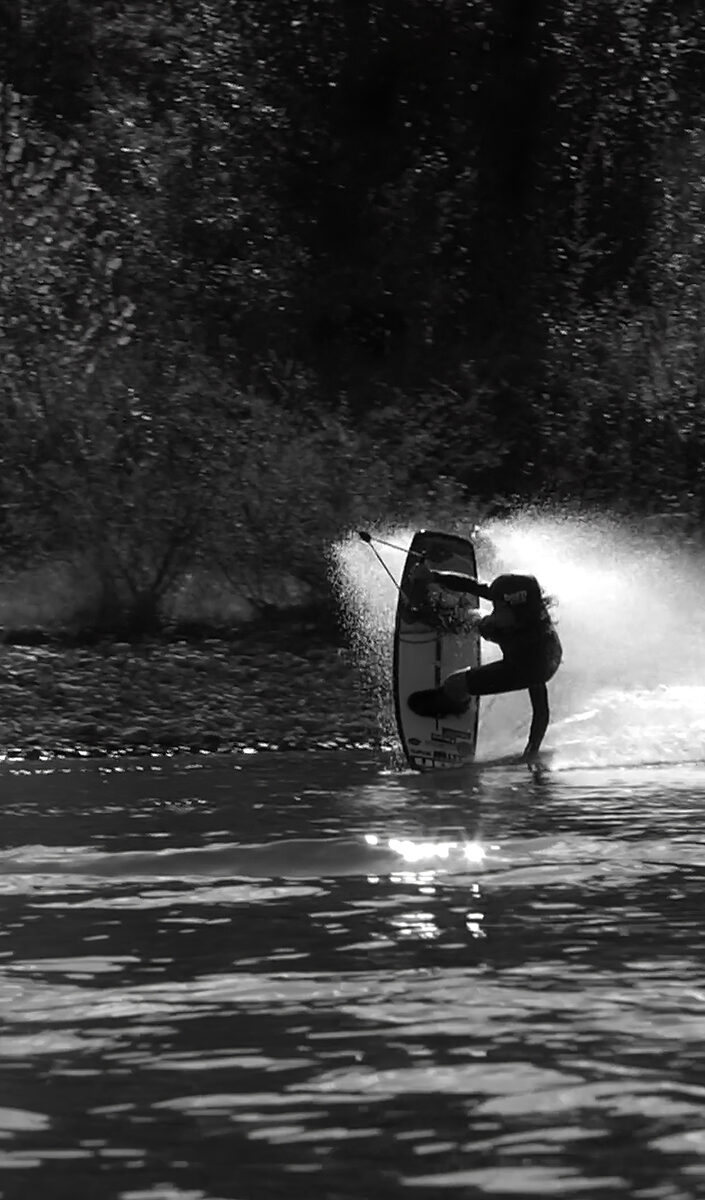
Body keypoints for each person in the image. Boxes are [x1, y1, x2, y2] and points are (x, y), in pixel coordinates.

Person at [407, 562, 562, 761]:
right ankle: (439, 616)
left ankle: (457, 705)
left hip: (522, 669)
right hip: (514, 642)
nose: (495, 608)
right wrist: (433, 576)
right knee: (475, 618)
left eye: (499, 607)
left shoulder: (534, 648)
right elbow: (476, 587)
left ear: (516, 611)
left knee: (454, 684)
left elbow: (541, 710)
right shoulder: (516, 607)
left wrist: (531, 752)